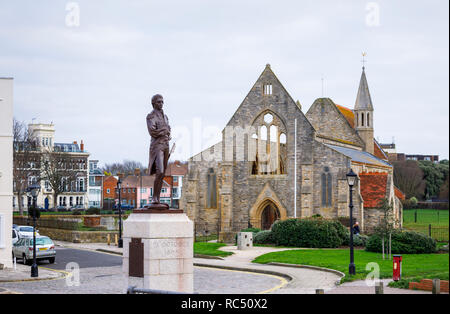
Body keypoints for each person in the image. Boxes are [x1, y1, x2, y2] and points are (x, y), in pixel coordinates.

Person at [147, 94, 171, 208]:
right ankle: (154, 198)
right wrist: (164, 130)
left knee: (163, 174)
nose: (161, 104)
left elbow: (168, 130)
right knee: (159, 171)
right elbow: (153, 132)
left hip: (166, 145)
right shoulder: (151, 117)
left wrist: (167, 132)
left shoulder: (165, 116)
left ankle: (158, 198)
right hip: (157, 147)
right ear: (153, 103)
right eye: (158, 102)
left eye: (162, 102)